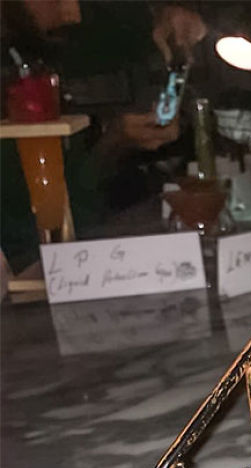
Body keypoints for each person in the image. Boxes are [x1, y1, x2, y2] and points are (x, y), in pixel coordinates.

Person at [0, 1, 208, 271]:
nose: (71, 10)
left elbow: (80, 192)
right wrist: (114, 142)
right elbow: (36, 222)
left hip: (98, 251)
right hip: (30, 269)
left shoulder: (78, 32)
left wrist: (168, 17)